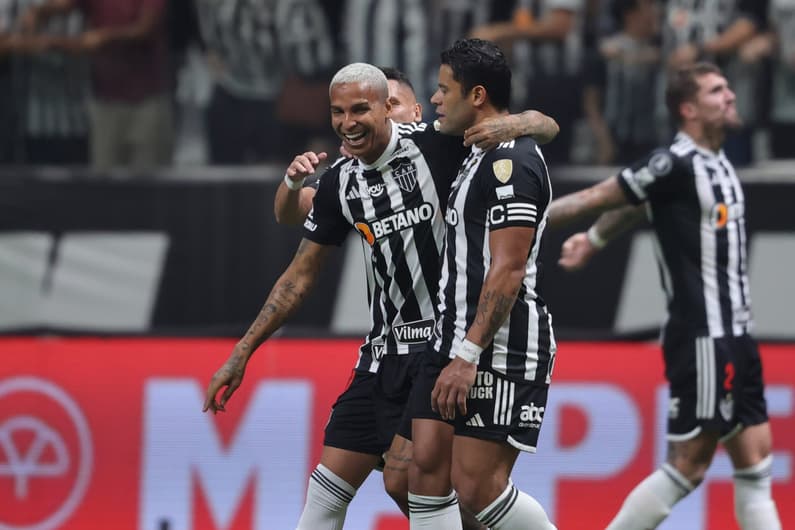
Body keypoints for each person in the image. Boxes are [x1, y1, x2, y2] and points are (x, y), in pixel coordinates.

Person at [203, 62, 559, 530]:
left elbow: (542, 127)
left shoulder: (437, 146)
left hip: (439, 347)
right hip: (382, 354)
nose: (348, 123)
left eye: (362, 109)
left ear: (390, 111)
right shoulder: (341, 181)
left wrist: (518, 122)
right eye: (337, 112)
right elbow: (298, 271)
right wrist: (243, 350)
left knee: (424, 483)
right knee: (333, 487)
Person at [546, 62, 781, 530]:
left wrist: (594, 241)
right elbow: (598, 196)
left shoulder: (717, 162)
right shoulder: (673, 162)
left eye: (728, 87)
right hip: (704, 338)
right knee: (688, 466)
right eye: (718, 91)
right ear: (689, 109)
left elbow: (638, 205)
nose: (731, 96)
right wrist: (513, 219)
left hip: (737, 336)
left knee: (755, 463)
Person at [407, 38, 557, 529]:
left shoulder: (510, 161)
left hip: (500, 346)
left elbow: (508, 268)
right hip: (452, 339)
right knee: (408, 472)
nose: (434, 99)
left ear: (476, 96)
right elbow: (546, 122)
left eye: (441, 89)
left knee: (474, 488)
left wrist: (468, 356)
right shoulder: (473, 148)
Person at [20, 0, 173, 172]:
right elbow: (68, 5)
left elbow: (145, 29)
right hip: (106, 100)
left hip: (146, 102)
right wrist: (41, 11)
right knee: (103, 182)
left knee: (148, 180)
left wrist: (104, 36)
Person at [273, 66, 424, 226]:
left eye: (393, 104)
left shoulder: (435, 145)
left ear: (417, 112)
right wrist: (293, 181)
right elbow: (289, 216)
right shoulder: (347, 169)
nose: (384, 114)